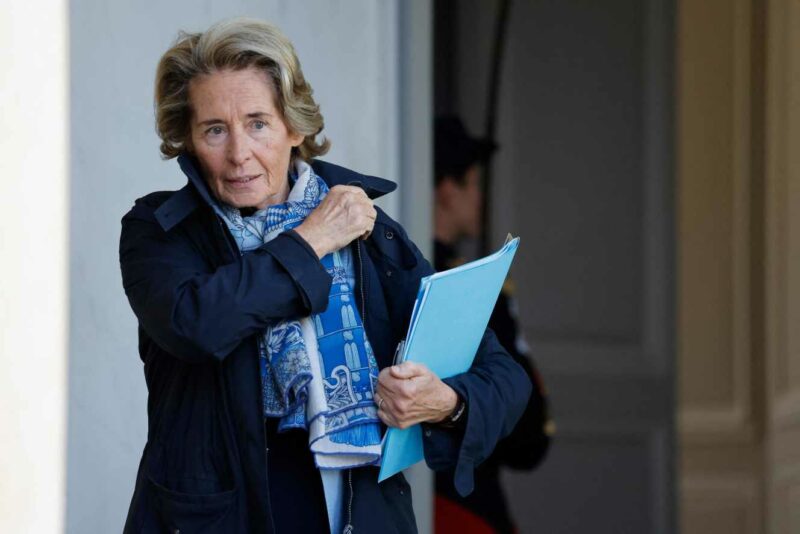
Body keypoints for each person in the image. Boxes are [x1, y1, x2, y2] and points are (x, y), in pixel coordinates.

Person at [119, 19, 531, 534]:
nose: (239, 153)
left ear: (295, 128)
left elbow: (504, 378)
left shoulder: (364, 227)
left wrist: (445, 403)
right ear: (190, 140)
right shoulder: (160, 230)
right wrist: (311, 241)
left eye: (258, 123)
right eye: (215, 130)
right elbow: (197, 324)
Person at [432, 116, 554, 534]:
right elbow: (528, 433)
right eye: (472, 184)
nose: (479, 198)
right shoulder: (468, 286)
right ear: (448, 190)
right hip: (462, 502)